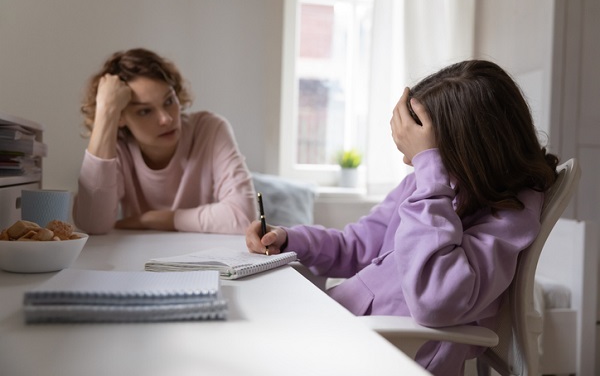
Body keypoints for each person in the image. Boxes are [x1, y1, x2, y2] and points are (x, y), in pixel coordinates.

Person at [245, 60, 559, 376]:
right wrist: (290, 238)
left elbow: (435, 297)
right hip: (342, 328)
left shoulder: (506, 217)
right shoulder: (429, 185)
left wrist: (430, 171)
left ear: (464, 148)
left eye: (424, 148)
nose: (408, 159)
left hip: (382, 354)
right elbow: (356, 246)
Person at [74, 48, 256, 235]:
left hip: (205, 253)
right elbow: (92, 224)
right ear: (120, 117)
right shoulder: (117, 147)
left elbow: (244, 217)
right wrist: (105, 112)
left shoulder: (210, 129)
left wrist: (155, 219)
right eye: (145, 111)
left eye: (169, 101)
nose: (166, 119)